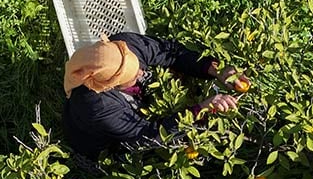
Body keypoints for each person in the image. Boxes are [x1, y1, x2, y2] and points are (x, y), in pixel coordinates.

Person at [62, 33, 247, 170]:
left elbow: (171, 52)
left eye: (138, 66)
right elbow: (146, 135)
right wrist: (200, 109)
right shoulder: (95, 105)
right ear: (108, 85)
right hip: (109, 144)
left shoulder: (124, 46)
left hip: (134, 113)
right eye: (133, 76)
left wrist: (215, 69)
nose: (142, 73)